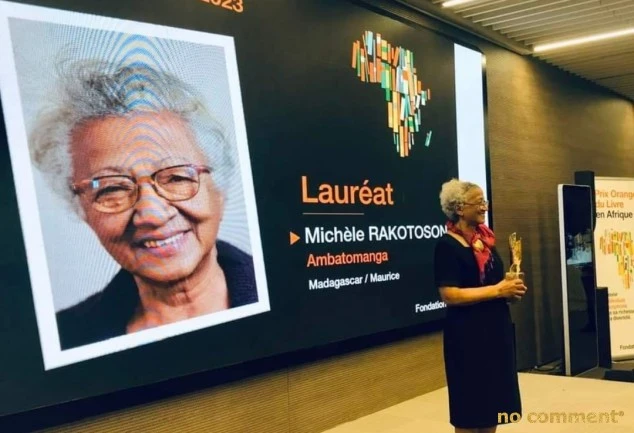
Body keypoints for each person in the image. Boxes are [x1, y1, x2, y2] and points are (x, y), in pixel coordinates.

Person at [29, 60, 258, 350]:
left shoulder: (285, 291)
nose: (151, 213)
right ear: (81, 209)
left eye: (176, 177)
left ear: (220, 191)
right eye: (111, 188)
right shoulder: (66, 336)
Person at [434, 178, 525, 433]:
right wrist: (498, 290)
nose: (485, 207)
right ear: (460, 208)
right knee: (469, 409)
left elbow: (496, 287)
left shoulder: (486, 242)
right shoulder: (447, 245)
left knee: (493, 405)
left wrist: (511, 291)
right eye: (479, 202)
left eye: (485, 201)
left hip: (496, 331)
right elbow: (449, 295)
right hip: (467, 337)